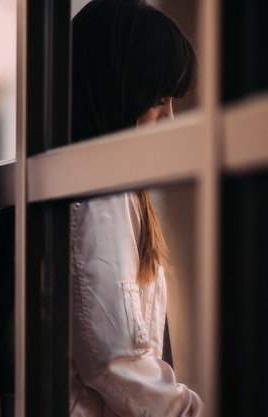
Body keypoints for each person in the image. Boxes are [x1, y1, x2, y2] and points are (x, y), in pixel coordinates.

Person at [69, 0, 203, 415]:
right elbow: (115, 362)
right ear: (117, 90)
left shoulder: (106, 187)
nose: (169, 117)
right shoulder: (98, 194)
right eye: (158, 99)